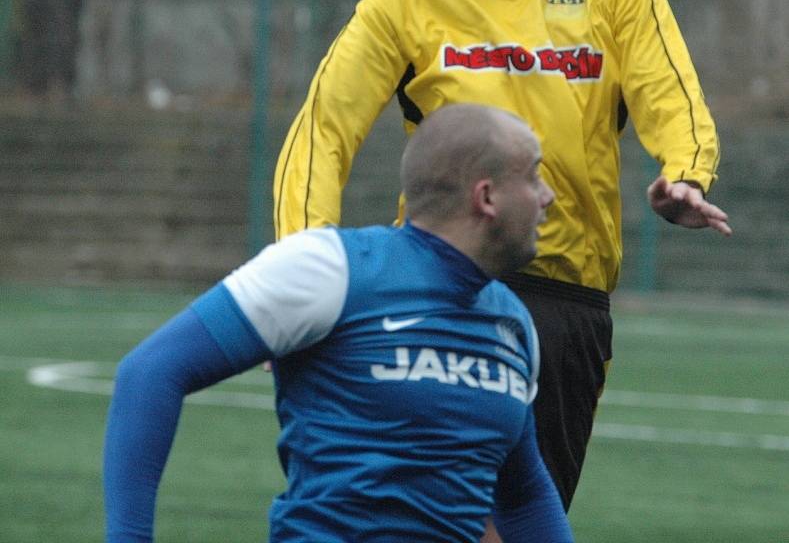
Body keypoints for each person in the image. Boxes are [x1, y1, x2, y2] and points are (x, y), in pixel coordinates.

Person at [272, 0, 732, 518]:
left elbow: (670, 97)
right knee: (420, 518)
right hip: (435, 293)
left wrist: (683, 174)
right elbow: (323, 129)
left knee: (518, 523)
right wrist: (303, 262)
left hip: (562, 302)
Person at [103, 104, 573, 543]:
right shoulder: (332, 267)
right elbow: (151, 371)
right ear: (486, 196)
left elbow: (524, 495)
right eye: (533, 176)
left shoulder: (512, 322)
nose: (548, 196)